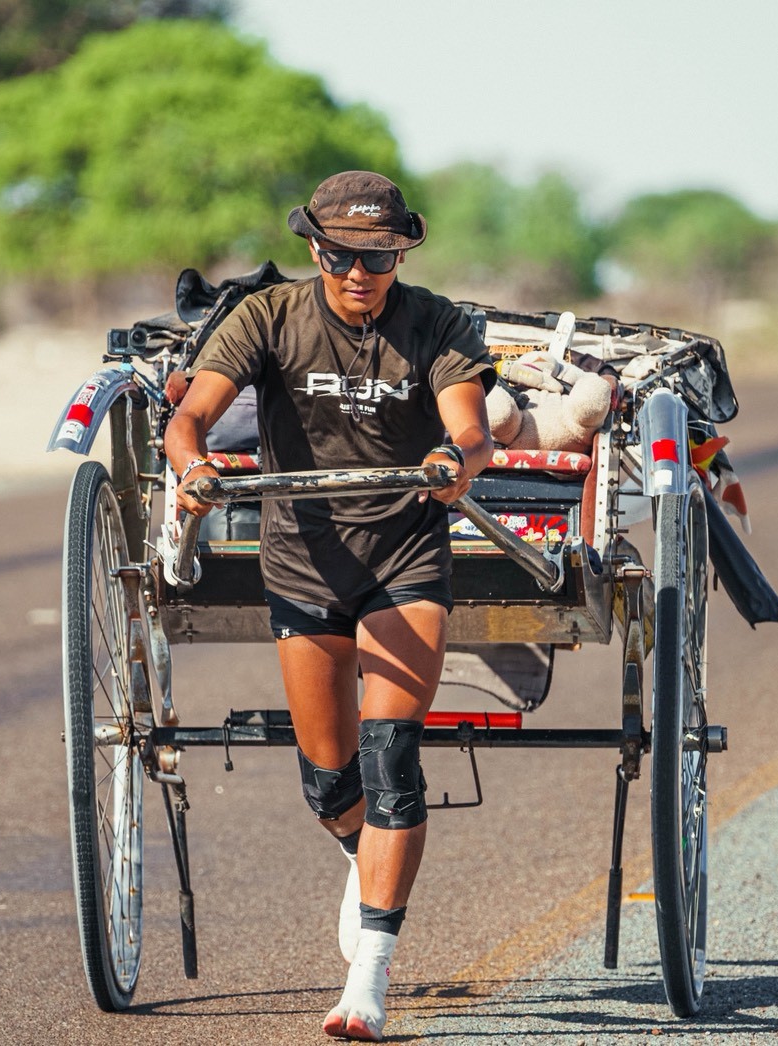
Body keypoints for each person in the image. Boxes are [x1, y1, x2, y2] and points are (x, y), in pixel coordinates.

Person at [164, 170, 495, 1041]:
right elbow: (189, 418)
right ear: (314, 247)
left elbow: (470, 425)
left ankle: (370, 979)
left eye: (379, 255)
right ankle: (359, 849)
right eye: (344, 253)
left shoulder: (438, 323)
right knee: (329, 784)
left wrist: (461, 459)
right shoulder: (266, 317)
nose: (361, 271)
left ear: (400, 252)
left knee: (392, 759)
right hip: (304, 564)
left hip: (406, 553)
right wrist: (193, 466)